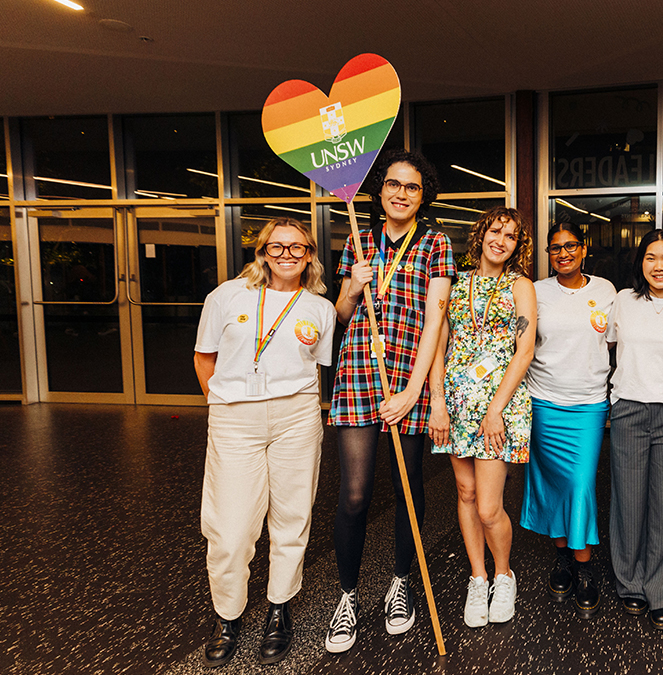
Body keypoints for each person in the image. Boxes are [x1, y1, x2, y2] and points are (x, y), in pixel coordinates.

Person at [324, 150, 455, 653]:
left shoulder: (436, 243)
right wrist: (353, 289)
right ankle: (348, 596)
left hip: (408, 375)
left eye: (413, 187)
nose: (401, 193)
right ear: (380, 191)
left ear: (425, 195)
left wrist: (413, 390)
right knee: (354, 495)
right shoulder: (359, 239)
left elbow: (435, 320)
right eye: (393, 184)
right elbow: (339, 313)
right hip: (359, 370)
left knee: (407, 484)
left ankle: (400, 585)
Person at [193, 217, 336, 667]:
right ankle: (227, 615)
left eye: (298, 248)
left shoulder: (320, 308)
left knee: (292, 517)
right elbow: (204, 357)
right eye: (278, 247)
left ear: (310, 254)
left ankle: (279, 609)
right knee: (230, 528)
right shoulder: (227, 296)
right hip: (235, 418)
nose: (288, 255)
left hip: (296, 416)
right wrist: (222, 404)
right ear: (262, 252)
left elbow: (318, 366)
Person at [431, 207, 536, 628]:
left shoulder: (520, 285)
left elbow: (524, 351)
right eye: (496, 231)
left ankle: (503, 575)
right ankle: (478, 578)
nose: (501, 240)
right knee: (465, 492)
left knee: (490, 507)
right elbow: (438, 344)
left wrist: (495, 410)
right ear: (481, 235)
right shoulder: (454, 283)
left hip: (500, 405)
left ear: (517, 246)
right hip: (456, 401)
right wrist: (438, 401)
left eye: (511, 236)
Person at [519, 222, 616, 618]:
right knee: (551, 485)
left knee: (580, 484)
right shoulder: (535, 291)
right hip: (543, 403)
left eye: (570, 246)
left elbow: (613, 340)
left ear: (584, 248)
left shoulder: (606, 291)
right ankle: (563, 560)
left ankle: (585, 566)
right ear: (548, 253)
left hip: (589, 404)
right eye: (555, 248)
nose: (563, 253)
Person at [606, 228, 663, 632]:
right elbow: (605, 347)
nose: (659, 266)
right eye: (651, 258)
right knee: (628, 500)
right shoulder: (623, 301)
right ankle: (631, 582)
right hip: (628, 410)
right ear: (640, 263)